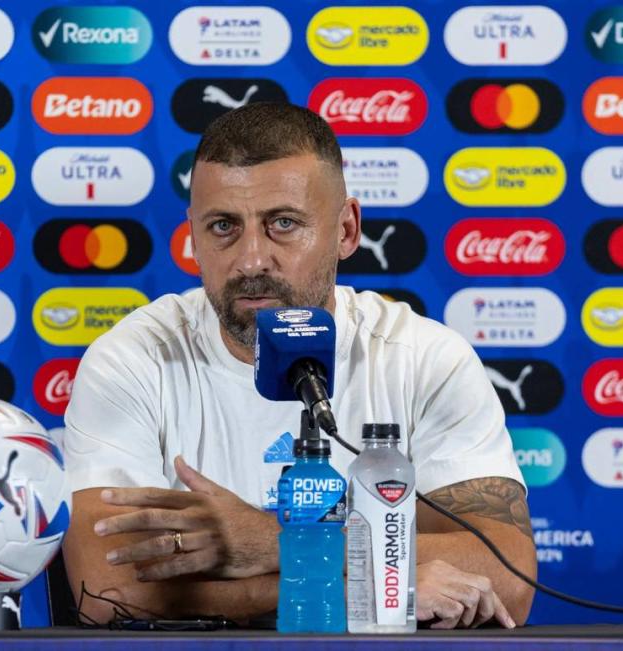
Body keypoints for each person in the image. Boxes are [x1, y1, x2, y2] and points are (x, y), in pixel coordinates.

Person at [61, 102, 536, 629]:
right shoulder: (133, 360)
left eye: (283, 224)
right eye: (223, 227)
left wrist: (267, 543)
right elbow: (103, 592)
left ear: (347, 231)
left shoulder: (425, 359)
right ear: (193, 237)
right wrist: (376, 587)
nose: (251, 260)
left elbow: (509, 577)